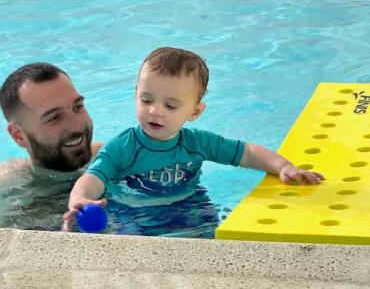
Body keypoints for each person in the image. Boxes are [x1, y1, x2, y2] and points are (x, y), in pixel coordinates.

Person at [63, 46, 324, 232]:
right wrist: (81, 199)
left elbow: (248, 153)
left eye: (171, 105)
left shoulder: (198, 143)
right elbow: (93, 178)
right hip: (133, 212)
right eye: (146, 100)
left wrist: (283, 166)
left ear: (195, 112)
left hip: (191, 206)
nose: (155, 110)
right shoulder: (123, 147)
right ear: (135, 95)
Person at [0, 63, 103, 229]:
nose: (77, 126)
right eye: (54, 118)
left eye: (78, 107)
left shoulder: (118, 158)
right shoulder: (8, 187)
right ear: (18, 135)